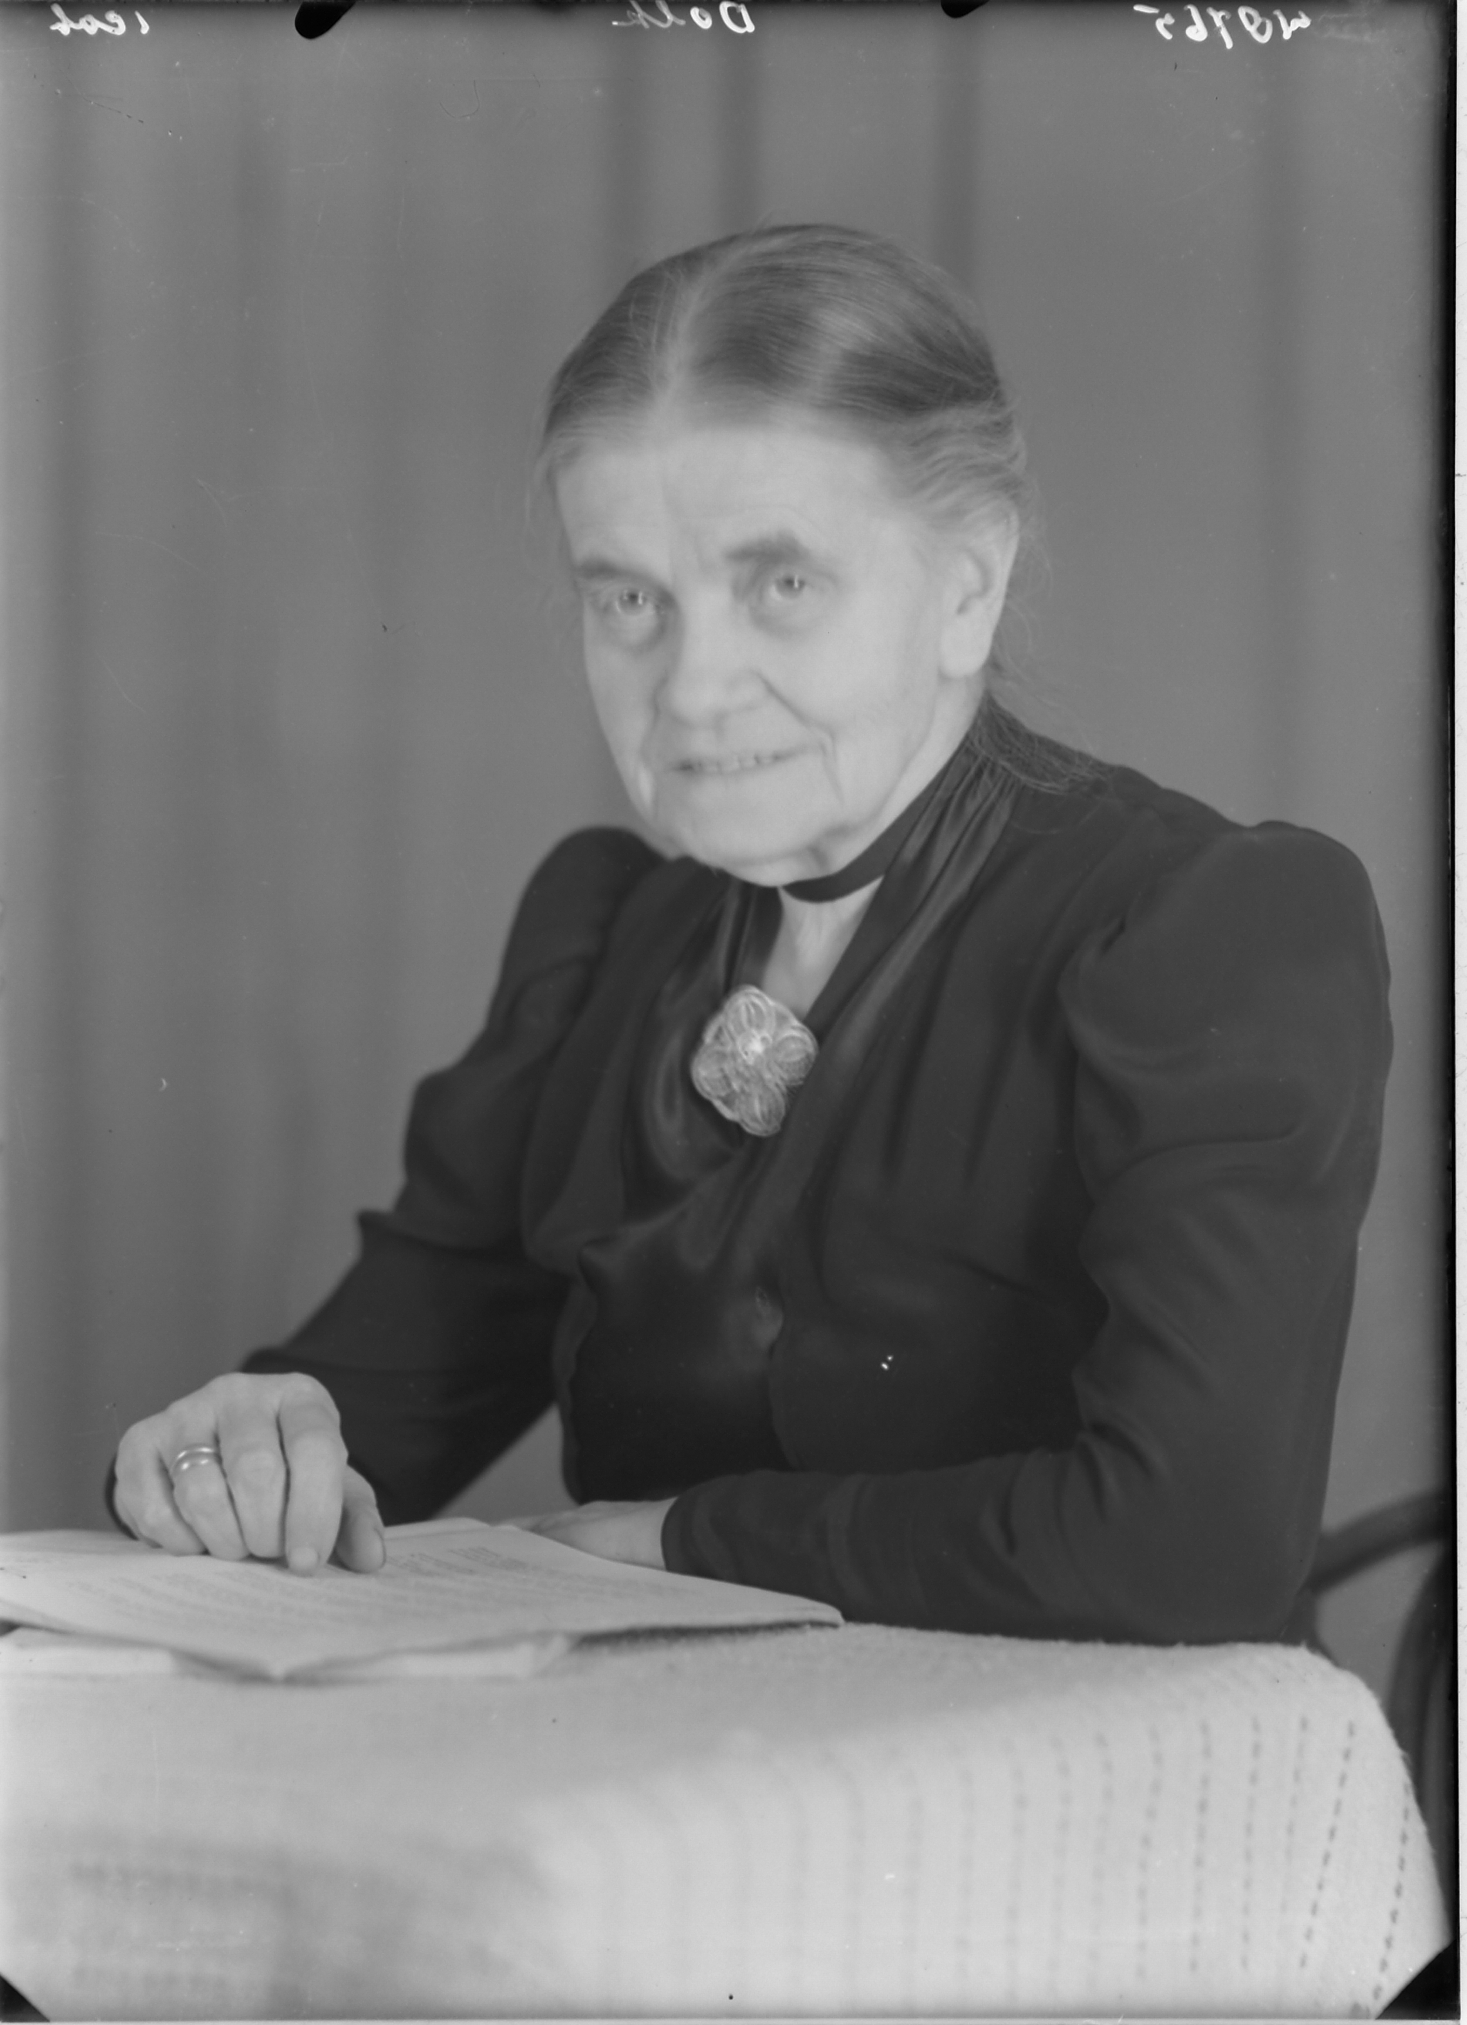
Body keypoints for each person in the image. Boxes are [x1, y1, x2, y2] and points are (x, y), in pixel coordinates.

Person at [110, 224, 1391, 1644]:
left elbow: (1191, 1546)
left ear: (967, 585)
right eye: (629, 599)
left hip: (1107, 1770)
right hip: (707, 1760)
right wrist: (242, 1449)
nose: (691, 687)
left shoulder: (1203, 926)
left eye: (781, 584)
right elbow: (373, 1411)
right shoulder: (607, 937)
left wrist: (673, 1540)